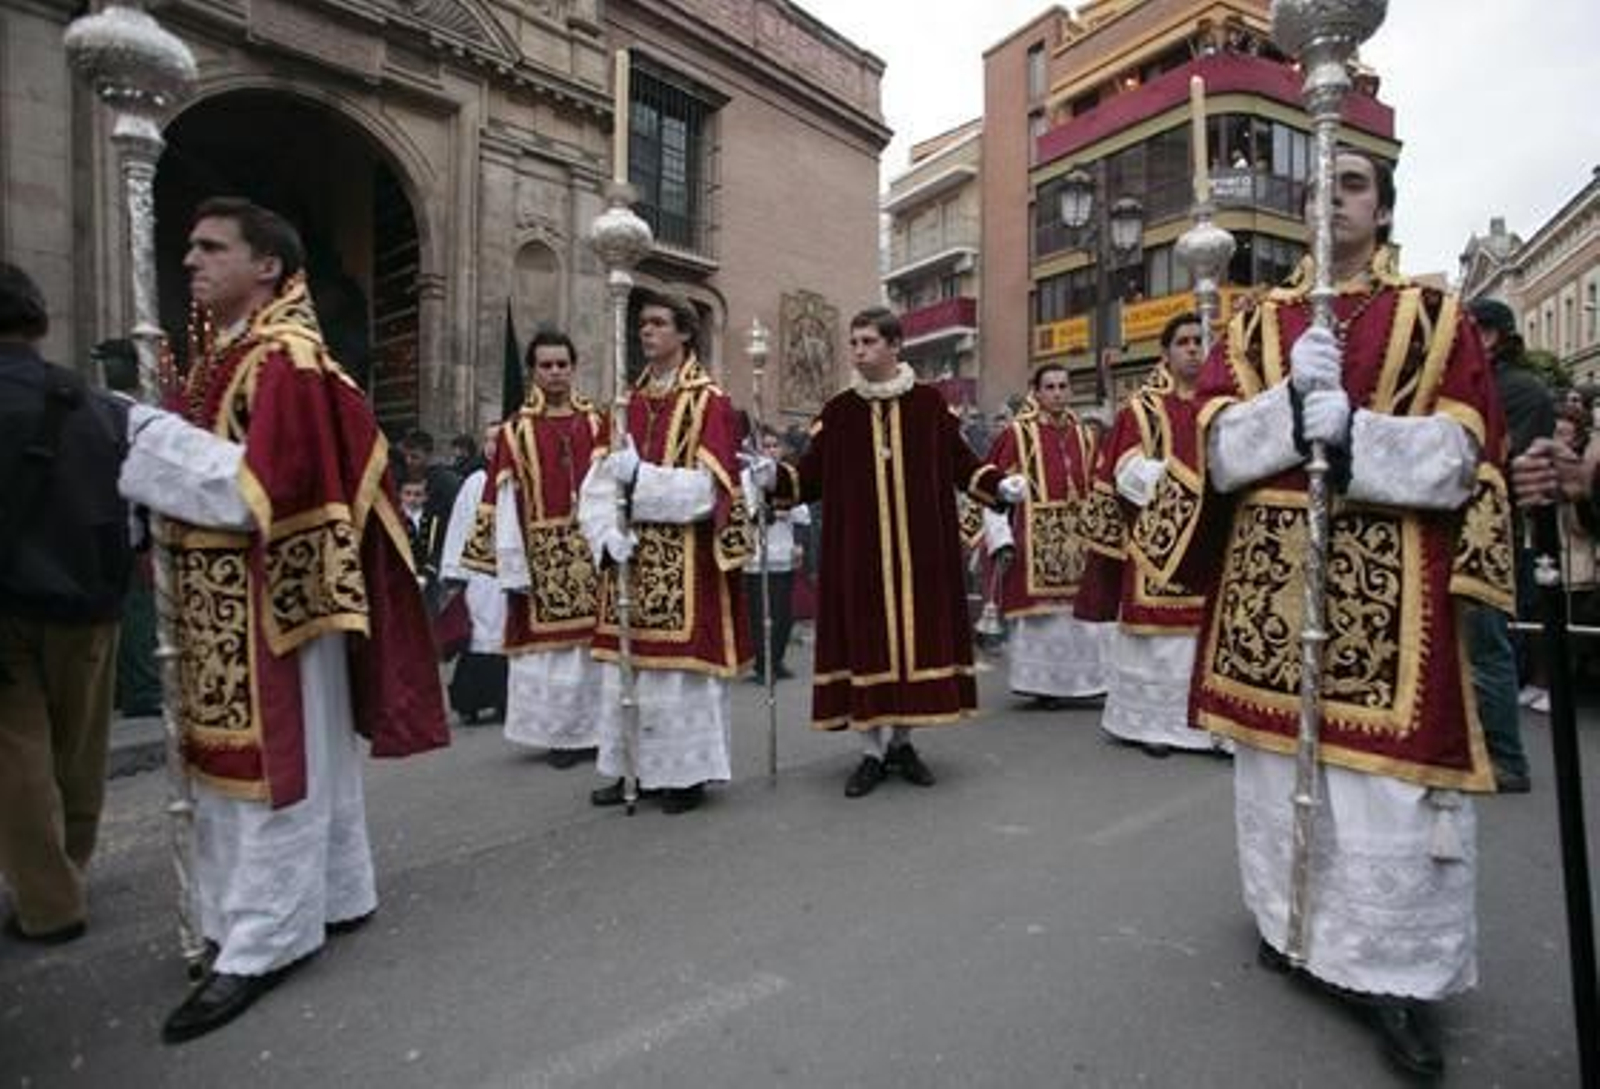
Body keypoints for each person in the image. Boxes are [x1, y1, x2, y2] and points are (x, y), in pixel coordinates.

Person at [1156, 151, 1510, 1078]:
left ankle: (1399, 975)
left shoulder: (1437, 318)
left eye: (1352, 186)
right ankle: (1293, 924)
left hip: (1392, 585)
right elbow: (1217, 449)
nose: (1332, 199)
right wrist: (1284, 402)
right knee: (1276, 768)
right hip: (1268, 584)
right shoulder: (1256, 322)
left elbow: (1465, 453)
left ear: (1384, 209)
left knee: (1387, 785)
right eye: (1319, 188)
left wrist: (1353, 432)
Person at [117, 197, 449, 1044]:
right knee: (294, 763)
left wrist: (147, 442)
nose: (191, 261)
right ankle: (335, 891)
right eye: (189, 248)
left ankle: (261, 939)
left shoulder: (288, 359)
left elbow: (264, 487)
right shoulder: (216, 361)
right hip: (229, 597)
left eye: (211, 247)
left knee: (274, 773)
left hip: (273, 595)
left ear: (266, 265)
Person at [764, 307, 1022, 798]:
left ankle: (902, 743)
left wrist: (999, 484)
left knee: (913, 646)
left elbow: (964, 466)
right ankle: (870, 751)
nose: (858, 350)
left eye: (867, 341)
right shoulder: (838, 412)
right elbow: (807, 476)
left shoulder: (930, 406)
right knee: (866, 647)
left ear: (894, 346)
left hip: (921, 555)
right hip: (857, 557)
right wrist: (772, 479)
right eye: (854, 342)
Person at [576, 290, 750, 815]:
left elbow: (708, 492)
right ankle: (630, 768)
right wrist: (604, 533)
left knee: (676, 674)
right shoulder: (625, 403)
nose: (645, 332)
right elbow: (597, 480)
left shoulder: (710, 401)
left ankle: (682, 775)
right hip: (628, 560)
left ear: (684, 333)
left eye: (657, 323)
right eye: (643, 324)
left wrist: (642, 479)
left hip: (684, 563)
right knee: (626, 672)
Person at [0, 263, 132, 945]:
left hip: (11, 604)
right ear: (40, 321)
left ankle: (51, 901)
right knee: (80, 748)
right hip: (90, 601)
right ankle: (67, 865)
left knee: (17, 754)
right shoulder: (93, 402)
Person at [1075, 312, 1223, 757]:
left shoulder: (1224, 405)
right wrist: (1176, 480)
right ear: (1165, 352)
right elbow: (1123, 467)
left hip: (1212, 534)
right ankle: (1152, 725)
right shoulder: (1141, 408)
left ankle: (1211, 727)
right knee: (1160, 640)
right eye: (1183, 341)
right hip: (1156, 537)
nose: (1193, 348)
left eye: (1200, 341)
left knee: (1205, 636)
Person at [491, 328, 606, 767]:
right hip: (540, 553)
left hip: (592, 550)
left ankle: (598, 730)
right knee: (556, 654)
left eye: (562, 364)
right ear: (533, 371)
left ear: (573, 368)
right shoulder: (514, 431)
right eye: (546, 365)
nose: (555, 373)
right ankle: (562, 735)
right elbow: (503, 499)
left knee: (594, 647)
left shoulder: (597, 423)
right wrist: (513, 563)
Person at [980, 362, 1107, 706]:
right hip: (1033, 541)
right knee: (1043, 620)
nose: (1057, 393)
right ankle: (1042, 686)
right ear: (1036, 392)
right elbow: (993, 489)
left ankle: (1086, 682)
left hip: (1077, 540)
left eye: (1063, 386)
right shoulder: (1016, 434)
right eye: (1049, 387)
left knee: (1078, 616)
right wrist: (1001, 538)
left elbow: (1099, 484)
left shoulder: (1085, 434)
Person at [1462, 297, 1551, 789]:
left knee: (1487, 646)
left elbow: (1500, 463)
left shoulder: (1519, 391)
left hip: (1487, 533)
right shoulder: (1485, 383)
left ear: (1491, 335)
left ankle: (1506, 759)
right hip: (1466, 529)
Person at [94, 337, 162, 718]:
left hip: (104, 527)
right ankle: (140, 688)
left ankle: (126, 687)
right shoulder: (138, 417)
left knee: (125, 611)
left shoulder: (91, 411)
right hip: (130, 529)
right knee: (137, 611)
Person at [440, 422, 510, 725]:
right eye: (488, 440)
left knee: (508, 636)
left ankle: (505, 701)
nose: (492, 446)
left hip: (511, 571)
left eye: (499, 440)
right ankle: (471, 699)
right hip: (480, 573)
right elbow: (459, 526)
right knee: (481, 635)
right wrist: (454, 573)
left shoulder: (519, 479)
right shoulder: (475, 482)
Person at [742, 425, 810, 682]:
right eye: (766, 446)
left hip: (784, 554)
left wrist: (800, 543)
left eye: (774, 445)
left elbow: (801, 515)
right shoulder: (748, 478)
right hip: (757, 555)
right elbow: (751, 512)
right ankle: (763, 665)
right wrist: (776, 513)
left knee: (783, 613)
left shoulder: (789, 475)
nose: (770, 450)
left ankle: (778, 660)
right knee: (761, 614)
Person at [398, 473, 443, 609]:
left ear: (425, 497)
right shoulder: (395, 520)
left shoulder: (434, 520)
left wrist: (427, 575)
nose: (412, 498)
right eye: (408, 493)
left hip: (428, 580)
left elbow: (438, 549)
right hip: (400, 580)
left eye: (418, 494)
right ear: (400, 495)